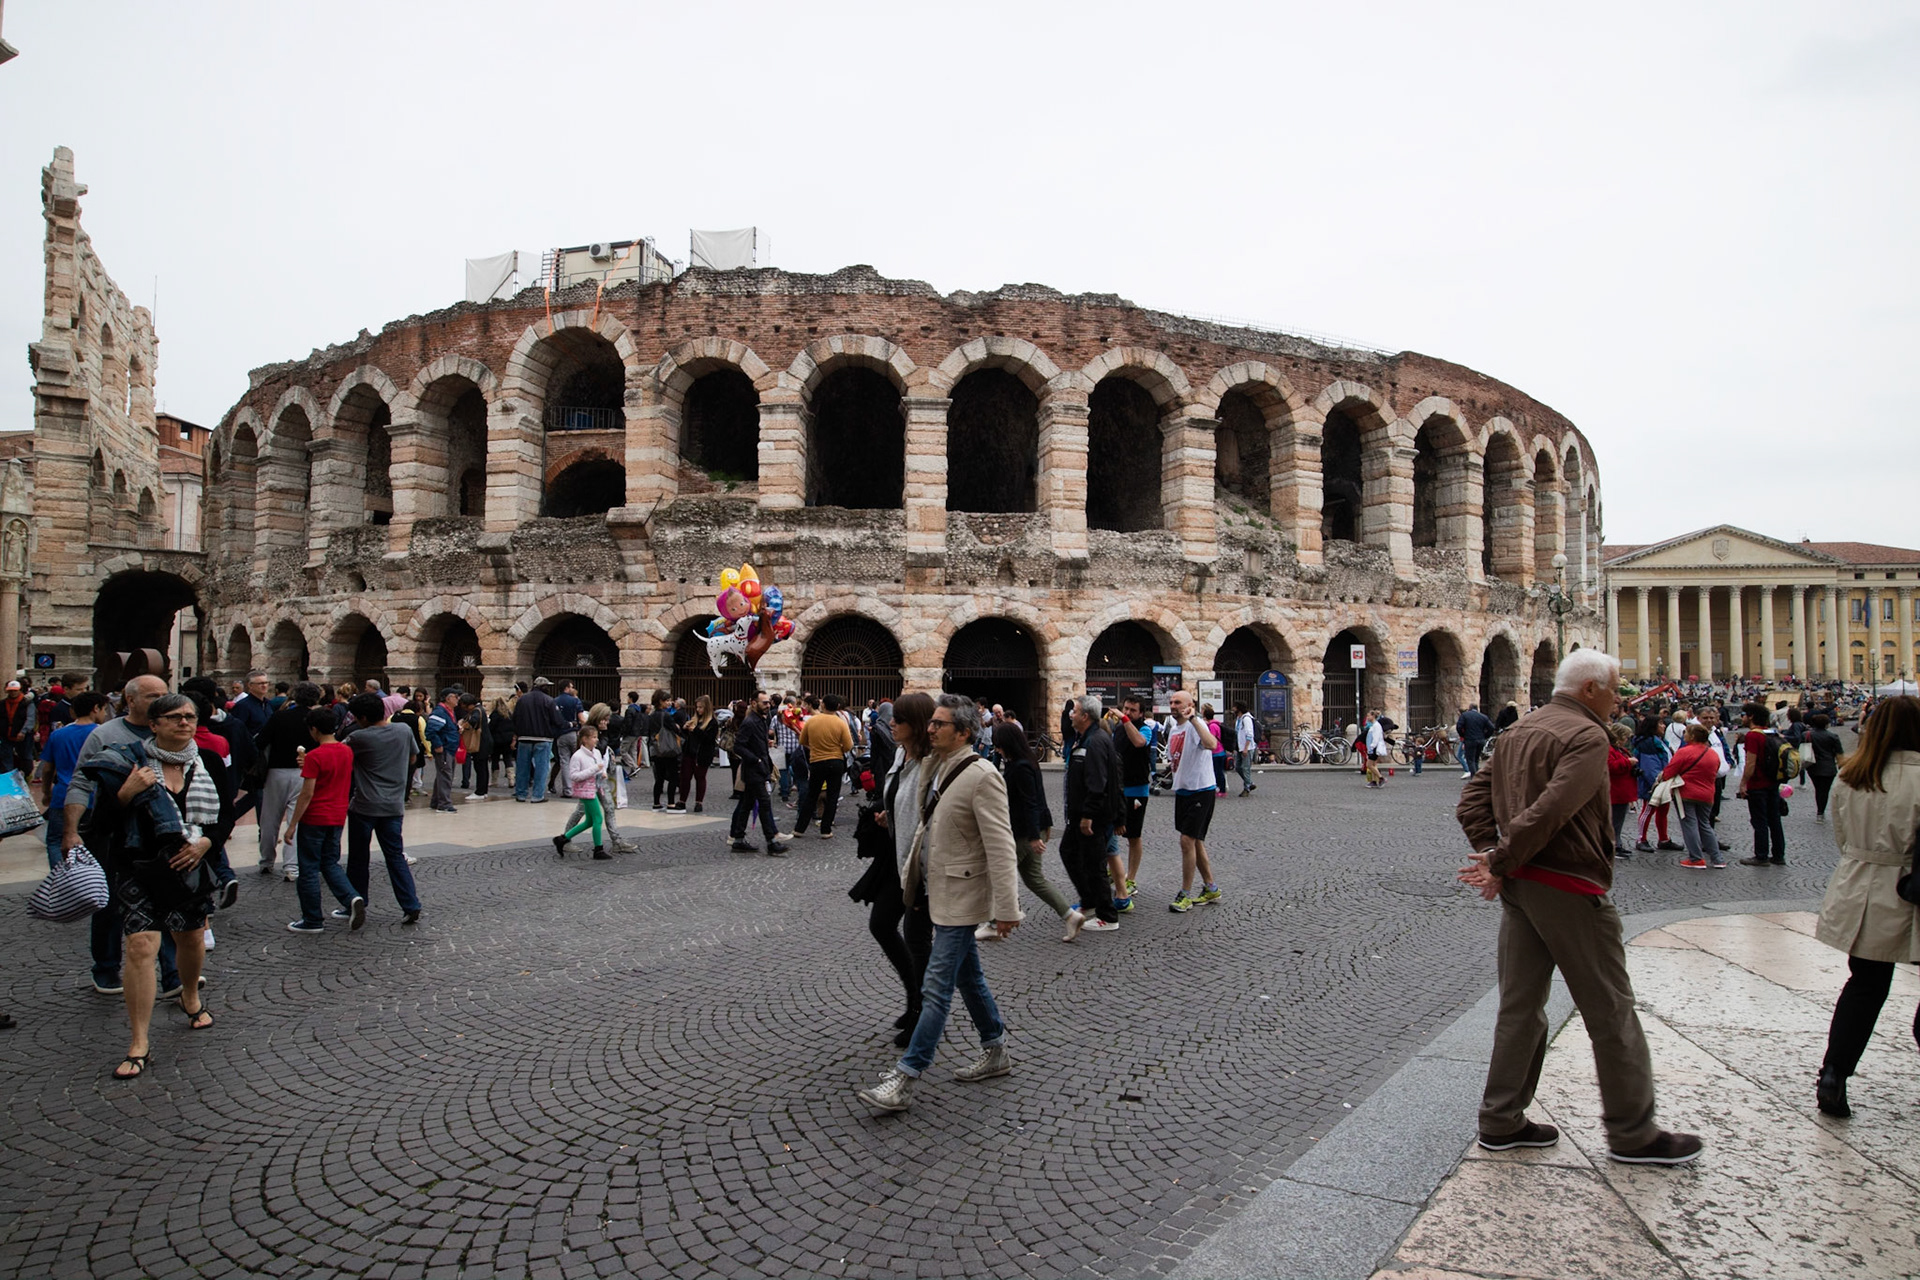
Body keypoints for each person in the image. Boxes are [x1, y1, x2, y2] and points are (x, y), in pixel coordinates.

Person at [1456, 650, 1702, 1165]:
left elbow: (1472, 802)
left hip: (1522, 889)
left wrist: (1493, 855)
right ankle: (1634, 1133)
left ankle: (1501, 1120)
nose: (1619, 700)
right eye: (1615, 690)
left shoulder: (1519, 731)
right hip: (1568, 885)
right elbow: (1552, 810)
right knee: (1611, 1010)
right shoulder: (1588, 737)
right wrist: (1498, 860)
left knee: (1520, 1008)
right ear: (1590, 689)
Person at [855, 695, 1022, 1114]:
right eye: (929, 722)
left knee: (937, 987)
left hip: (961, 897)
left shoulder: (983, 775)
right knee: (969, 979)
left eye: (940, 724)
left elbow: (1001, 847)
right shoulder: (934, 766)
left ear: (963, 732)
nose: (931, 729)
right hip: (933, 889)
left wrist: (1007, 908)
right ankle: (996, 1048)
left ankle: (906, 1077)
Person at [79, 692, 226, 1079]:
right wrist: (126, 793)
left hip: (189, 864)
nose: (184, 723)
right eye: (175, 717)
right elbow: (99, 826)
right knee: (142, 945)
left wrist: (207, 844)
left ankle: (189, 995)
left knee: (191, 939)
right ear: (155, 724)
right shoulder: (129, 762)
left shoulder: (207, 761)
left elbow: (222, 815)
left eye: (190, 717)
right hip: (138, 866)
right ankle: (139, 1040)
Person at [1813, 694, 1920, 1119]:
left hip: (1864, 885)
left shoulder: (1852, 775)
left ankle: (1834, 1074)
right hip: (1911, 888)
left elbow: (1842, 837)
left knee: (1864, 986)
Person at [62, 676, 183, 999]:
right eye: (152, 696)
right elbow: (80, 783)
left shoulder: (172, 733)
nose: (161, 700)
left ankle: (172, 973)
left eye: (164, 694)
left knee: (168, 900)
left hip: (161, 834)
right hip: (114, 832)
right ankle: (106, 966)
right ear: (130, 700)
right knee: (110, 903)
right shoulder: (104, 735)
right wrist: (72, 830)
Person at [857, 691, 933, 1045]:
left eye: (898, 719)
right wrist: (888, 813)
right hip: (894, 854)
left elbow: (930, 818)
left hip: (918, 863)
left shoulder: (932, 763)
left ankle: (924, 1012)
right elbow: (900, 797)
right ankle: (915, 997)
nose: (890, 723)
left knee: (921, 942)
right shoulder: (902, 753)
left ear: (914, 725)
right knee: (882, 924)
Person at [982, 720, 1073, 940]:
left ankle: (995, 923)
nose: (997, 750)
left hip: (1025, 832)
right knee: (1034, 879)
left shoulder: (1020, 766)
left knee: (998, 872)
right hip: (1034, 827)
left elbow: (1030, 801)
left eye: (999, 745)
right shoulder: (1026, 761)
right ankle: (1070, 915)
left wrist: (1034, 836)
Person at [280, 707, 368, 933]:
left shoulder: (315, 756)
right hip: (337, 815)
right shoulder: (346, 751)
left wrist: (292, 825)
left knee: (308, 868)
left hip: (315, 817)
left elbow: (307, 793)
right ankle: (351, 897)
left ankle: (312, 919)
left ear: (314, 729)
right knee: (330, 862)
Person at [339, 693, 425, 924]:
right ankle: (410, 904)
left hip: (364, 806)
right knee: (395, 856)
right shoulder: (403, 731)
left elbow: (337, 756)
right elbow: (413, 758)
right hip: (393, 805)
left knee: (358, 858)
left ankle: (356, 901)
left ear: (363, 717)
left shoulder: (358, 737)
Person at [1059, 697, 1121, 935]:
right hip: (1081, 814)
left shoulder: (1095, 741)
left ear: (1085, 716)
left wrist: (1088, 816)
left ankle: (1107, 915)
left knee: (1095, 864)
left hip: (1091, 816)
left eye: (1074, 712)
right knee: (1070, 853)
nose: (1070, 715)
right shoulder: (1087, 738)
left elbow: (1098, 783)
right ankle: (1090, 899)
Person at [35, 691, 109, 870]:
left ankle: (61, 878)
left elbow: (47, 769)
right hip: (94, 797)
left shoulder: (59, 735)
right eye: (104, 709)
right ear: (95, 708)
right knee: (94, 842)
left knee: (56, 841)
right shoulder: (103, 734)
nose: (105, 714)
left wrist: (46, 792)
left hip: (63, 796)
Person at [256, 681, 321, 878]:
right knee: (297, 819)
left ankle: (266, 860)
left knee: (269, 818)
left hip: (276, 770)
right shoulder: (315, 719)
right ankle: (291, 867)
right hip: (304, 772)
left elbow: (260, 741)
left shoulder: (279, 716)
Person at [1165, 689, 1223, 912]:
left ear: (1190, 704)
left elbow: (1211, 744)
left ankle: (1185, 894)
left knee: (1186, 840)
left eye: (1178, 702)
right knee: (1196, 841)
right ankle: (1211, 887)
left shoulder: (1195, 725)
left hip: (1201, 789)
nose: (1173, 705)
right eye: (1171, 702)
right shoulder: (1173, 729)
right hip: (1183, 791)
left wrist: (1194, 719)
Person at [728, 691, 789, 857]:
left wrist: (765, 746)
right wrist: (755, 760)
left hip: (760, 769)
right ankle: (771, 840)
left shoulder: (761, 720)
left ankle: (738, 839)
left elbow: (754, 744)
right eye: (764, 703)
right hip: (753, 770)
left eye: (768, 702)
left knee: (747, 804)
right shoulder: (749, 722)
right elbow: (738, 746)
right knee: (764, 803)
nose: (768, 705)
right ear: (753, 703)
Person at [1660, 725, 1726, 869]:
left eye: (1686, 733)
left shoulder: (1684, 752)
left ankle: (1696, 858)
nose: (1684, 736)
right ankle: (1717, 858)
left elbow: (1669, 772)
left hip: (1686, 792)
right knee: (1705, 825)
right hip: (1707, 794)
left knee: (1689, 825)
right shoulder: (1713, 754)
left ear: (1693, 736)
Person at [1114, 695, 1157, 904]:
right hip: (1118, 787)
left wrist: (1125, 720)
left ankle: (1131, 878)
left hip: (1137, 790)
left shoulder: (1145, 728)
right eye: (1126, 708)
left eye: (1132, 710)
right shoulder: (1119, 728)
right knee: (1111, 831)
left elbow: (1139, 742)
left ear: (1141, 713)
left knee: (1133, 835)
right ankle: (1112, 868)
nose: (1128, 712)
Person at [794, 694, 854, 838]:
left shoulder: (812, 721)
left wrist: (814, 747)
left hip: (817, 761)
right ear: (838, 707)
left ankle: (799, 828)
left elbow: (802, 740)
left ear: (823, 706)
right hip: (836, 761)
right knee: (832, 796)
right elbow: (848, 746)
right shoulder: (840, 723)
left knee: (812, 795)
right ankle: (826, 830)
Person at [1736, 702, 1788, 866]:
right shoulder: (1772, 733)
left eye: (1744, 714)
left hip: (1758, 784)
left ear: (1751, 716)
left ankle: (1761, 855)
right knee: (1775, 819)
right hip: (1773, 782)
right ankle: (1779, 855)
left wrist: (1743, 783)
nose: (1742, 718)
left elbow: (1750, 763)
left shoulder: (1753, 736)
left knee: (1759, 821)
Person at [552, 724, 612, 860]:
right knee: (598, 818)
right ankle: (598, 849)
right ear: (584, 739)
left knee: (590, 821)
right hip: (585, 790)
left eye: (597, 737)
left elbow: (600, 764)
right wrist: (595, 769)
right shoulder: (577, 756)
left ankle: (562, 839)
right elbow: (574, 776)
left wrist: (602, 772)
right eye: (593, 737)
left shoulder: (596, 752)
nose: (596, 740)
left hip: (594, 788)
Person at [511, 677, 566, 803]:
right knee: (541, 769)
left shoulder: (522, 700)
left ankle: (521, 794)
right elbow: (557, 721)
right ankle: (537, 795)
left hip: (524, 738)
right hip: (543, 738)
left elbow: (515, 718)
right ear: (544, 687)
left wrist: (518, 733)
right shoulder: (549, 700)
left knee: (522, 769)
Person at [672, 696, 719, 813]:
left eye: (701, 707)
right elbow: (688, 737)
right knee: (685, 777)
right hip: (689, 752)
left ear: (706, 708)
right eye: (697, 707)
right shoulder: (694, 719)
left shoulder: (712, 722)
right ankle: (682, 801)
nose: (698, 710)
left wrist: (696, 730)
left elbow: (709, 739)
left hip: (702, 754)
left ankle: (699, 802)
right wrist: (684, 729)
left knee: (700, 778)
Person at [643, 689, 682, 811]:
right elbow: (675, 730)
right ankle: (671, 803)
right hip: (667, 749)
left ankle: (656, 803)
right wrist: (677, 727)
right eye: (667, 700)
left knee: (659, 778)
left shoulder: (652, 715)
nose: (670, 702)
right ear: (661, 701)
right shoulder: (666, 715)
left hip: (655, 749)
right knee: (673, 777)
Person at [425, 688, 462, 813]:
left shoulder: (449, 711)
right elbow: (431, 730)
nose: (458, 699)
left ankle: (436, 801)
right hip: (444, 748)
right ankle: (444, 804)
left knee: (443, 775)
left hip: (450, 748)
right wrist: (437, 744)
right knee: (446, 775)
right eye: (455, 696)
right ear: (448, 698)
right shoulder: (440, 712)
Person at [1605, 723, 1639, 857]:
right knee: (1614, 821)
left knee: (1618, 820)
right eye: (1625, 737)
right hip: (1616, 790)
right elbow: (1610, 766)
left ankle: (1617, 843)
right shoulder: (1610, 749)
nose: (1627, 740)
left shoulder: (1619, 749)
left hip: (1622, 791)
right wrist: (1627, 763)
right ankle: (1613, 846)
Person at [1805, 712, 1844, 821]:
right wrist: (1842, 767)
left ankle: (1820, 810)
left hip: (1812, 766)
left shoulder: (1807, 735)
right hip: (1829, 767)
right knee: (1824, 790)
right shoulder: (1833, 737)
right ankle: (1821, 811)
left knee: (1818, 789)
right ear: (1826, 724)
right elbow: (1839, 754)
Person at [0, 678, 37, 773]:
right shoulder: (3, 703)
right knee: (6, 756)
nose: (13, 693)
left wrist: (23, 731)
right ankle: (10, 776)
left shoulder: (27, 703)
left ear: (20, 690)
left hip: (24, 735)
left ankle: (27, 773)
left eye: (15, 691)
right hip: (5, 734)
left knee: (26, 756)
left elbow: (30, 718)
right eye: (10, 691)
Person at [1458, 703, 1497, 778]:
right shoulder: (1483, 716)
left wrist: (1463, 735)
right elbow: (1491, 728)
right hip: (1480, 740)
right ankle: (1476, 775)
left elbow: (1459, 727)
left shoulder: (1465, 715)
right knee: (1476, 759)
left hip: (1470, 740)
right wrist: (1485, 736)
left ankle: (1474, 778)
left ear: (1470, 708)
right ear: (1477, 709)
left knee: (1470, 759)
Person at [1231, 701, 1259, 797]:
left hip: (1247, 747)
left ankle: (1246, 788)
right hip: (1240, 747)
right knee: (1238, 767)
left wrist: (1246, 748)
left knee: (1245, 768)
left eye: (1234, 707)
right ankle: (1250, 783)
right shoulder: (1239, 719)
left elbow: (1249, 734)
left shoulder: (1246, 719)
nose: (1233, 709)